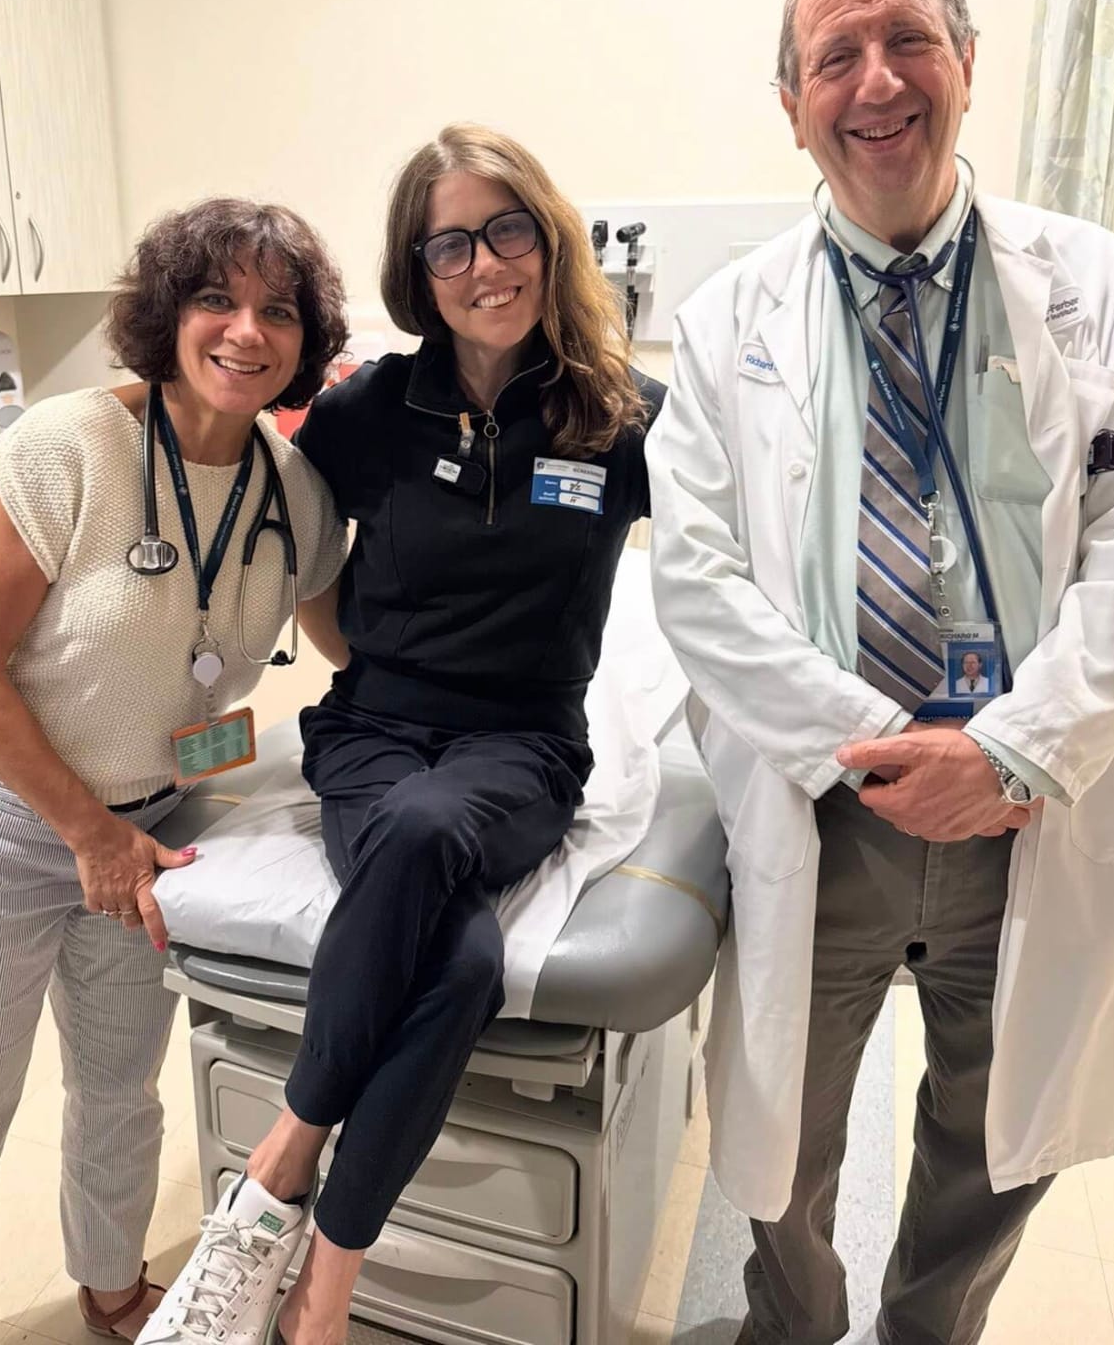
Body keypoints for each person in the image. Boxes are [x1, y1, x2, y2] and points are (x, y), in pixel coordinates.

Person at [648, 0, 1114, 1345]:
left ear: (967, 65)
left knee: (989, 1141)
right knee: (781, 1139)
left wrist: (1017, 747)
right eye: (832, 58)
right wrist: (871, 745)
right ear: (791, 102)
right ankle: (792, 1327)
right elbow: (696, 577)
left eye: (906, 39)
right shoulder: (728, 317)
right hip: (827, 806)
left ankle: (931, 1331)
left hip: (1031, 799)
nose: (876, 82)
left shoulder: (1094, 288)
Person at [139, 124, 663, 1345]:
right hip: (371, 727)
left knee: (431, 829)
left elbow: (740, 544)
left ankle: (280, 1165)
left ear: (548, 235)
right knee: (465, 961)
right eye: (449, 244)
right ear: (416, 269)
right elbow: (284, 530)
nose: (484, 263)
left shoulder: (616, 417)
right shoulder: (376, 407)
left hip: (523, 747)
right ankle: (327, 1284)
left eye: (507, 229)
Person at [0, 199, 349, 1345]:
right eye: (217, 298)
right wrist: (85, 832)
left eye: (277, 310)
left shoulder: (289, 491)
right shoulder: (67, 449)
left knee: (120, 1089)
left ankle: (110, 1287)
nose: (245, 331)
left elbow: (352, 640)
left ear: (307, 339)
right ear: (168, 314)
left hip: (153, 825)